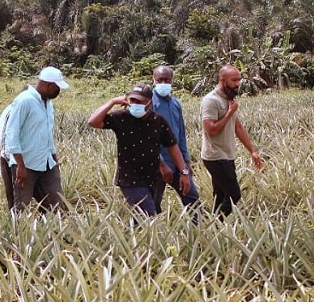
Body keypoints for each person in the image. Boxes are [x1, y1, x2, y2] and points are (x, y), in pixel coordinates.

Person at [88, 84, 191, 217]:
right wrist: (112, 102)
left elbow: (172, 146)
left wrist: (184, 172)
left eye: (140, 101)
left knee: (142, 218)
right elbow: (93, 122)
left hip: (152, 177)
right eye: (132, 100)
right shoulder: (121, 117)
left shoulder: (158, 121)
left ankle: (131, 236)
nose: (135, 104)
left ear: (149, 102)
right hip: (130, 178)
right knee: (148, 216)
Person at [200, 65, 263, 218]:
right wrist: (229, 113)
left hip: (226, 155)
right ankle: (214, 225)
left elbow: (238, 126)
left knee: (220, 196)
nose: (238, 83)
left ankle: (213, 231)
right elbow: (211, 130)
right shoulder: (211, 101)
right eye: (234, 80)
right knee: (234, 195)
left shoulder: (229, 99)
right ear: (222, 80)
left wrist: (253, 151)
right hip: (215, 156)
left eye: (239, 79)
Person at [4, 67, 69, 212]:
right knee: (21, 206)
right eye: (57, 87)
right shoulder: (24, 101)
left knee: (56, 204)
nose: (58, 91)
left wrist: (54, 159)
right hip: (26, 164)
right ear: (49, 85)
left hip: (46, 163)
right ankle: (17, 234)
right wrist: (20, 165)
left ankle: (52, 233)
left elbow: (46, 134)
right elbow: (12, 134)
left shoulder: (47, 103)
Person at [151, 66, 201, 221]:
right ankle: (148, 238)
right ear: (153, 80)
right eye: (160, 80)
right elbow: (148, 139)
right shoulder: (149, 103)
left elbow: (181, 135)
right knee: (152, 205)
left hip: (177, 162)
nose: (163, 83)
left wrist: (186, 161)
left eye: (167, 80)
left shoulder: (176, 104)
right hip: (156, 164)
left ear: (172, 81)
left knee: (192, 199)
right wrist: (160, 163)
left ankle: (199, 236)